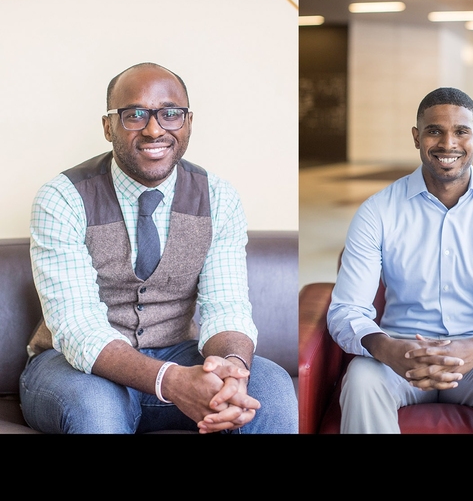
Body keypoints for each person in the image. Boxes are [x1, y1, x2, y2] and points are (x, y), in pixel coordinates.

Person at [21, 62, 298, 434]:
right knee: (98, 410)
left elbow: (226, 306)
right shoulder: (62, 198)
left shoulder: (218, 197)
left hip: (179, 353)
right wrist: (171, 381)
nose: (155, 130)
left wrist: (232, 369)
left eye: (171, 114)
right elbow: (78, 328)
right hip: (73, 368)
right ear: (108, 127)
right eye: (135, 114)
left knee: (272, 389)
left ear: (188, 123)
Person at [326, 87, 473, 433]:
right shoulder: (377, 211)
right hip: (400, 356)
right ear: (416, 137)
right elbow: (346, 310)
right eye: (434, 131)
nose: (448, 143)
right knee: (361, 379)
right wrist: (388, 349)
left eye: (461, 131)